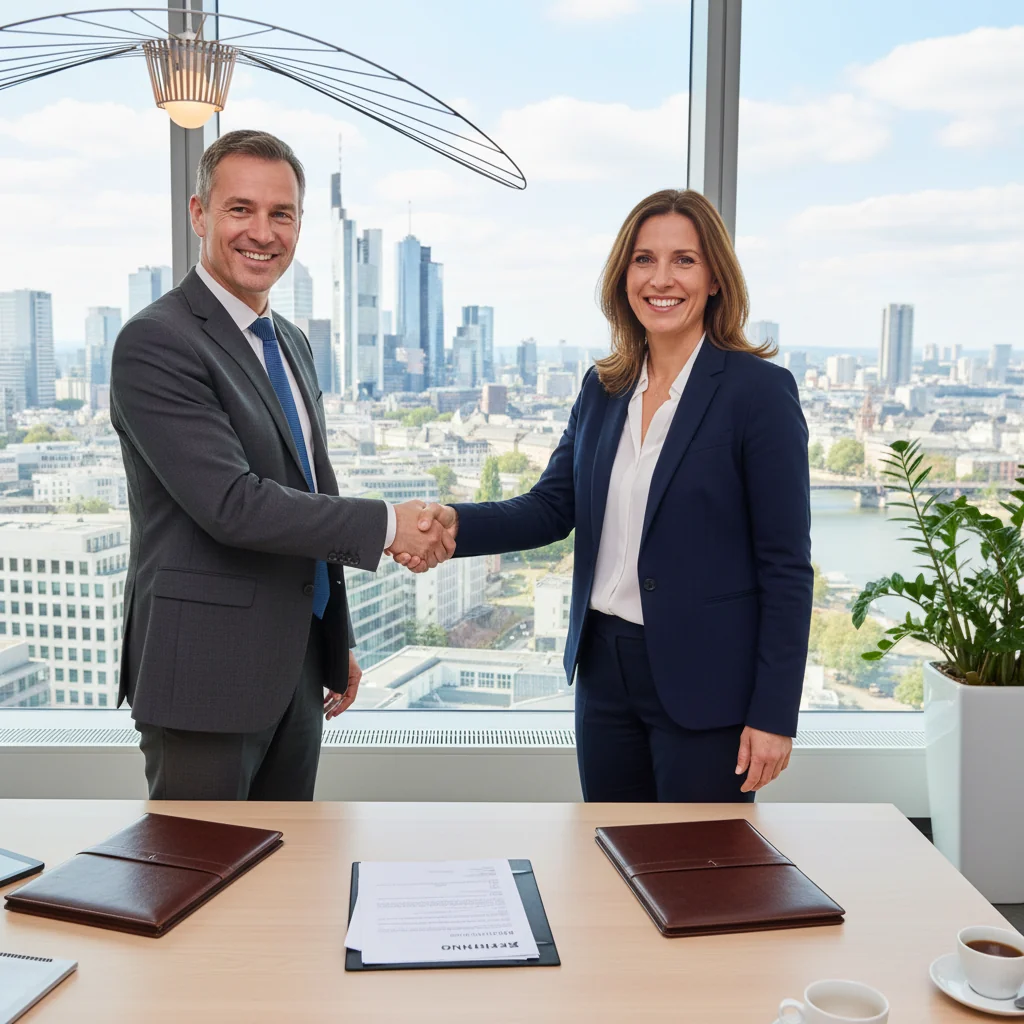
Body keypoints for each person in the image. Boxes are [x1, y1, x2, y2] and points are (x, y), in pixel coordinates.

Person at [393, 189, 812, 802]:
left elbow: (786, 567)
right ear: (623, 276)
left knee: (698, 873)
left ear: (717, 277)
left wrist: (775, 713)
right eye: (644, 260)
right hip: (604, 671)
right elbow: (553, 506)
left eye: (684, 261)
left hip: (706, 679)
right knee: (611, 860)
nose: (661, 279)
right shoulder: (603, 386)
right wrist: (454, 523)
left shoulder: (759, 393)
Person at [110, 130, 454, 801]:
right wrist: (390, 524)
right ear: (199, 213)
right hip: (204, 677)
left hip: (294, 669)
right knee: (196, 884)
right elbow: (234, 504)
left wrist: (333, 640)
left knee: (283, 876)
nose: (262, 233)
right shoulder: (156, 341)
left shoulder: (289, 341)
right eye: (240, 209)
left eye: (282, 214)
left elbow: (310, 491)